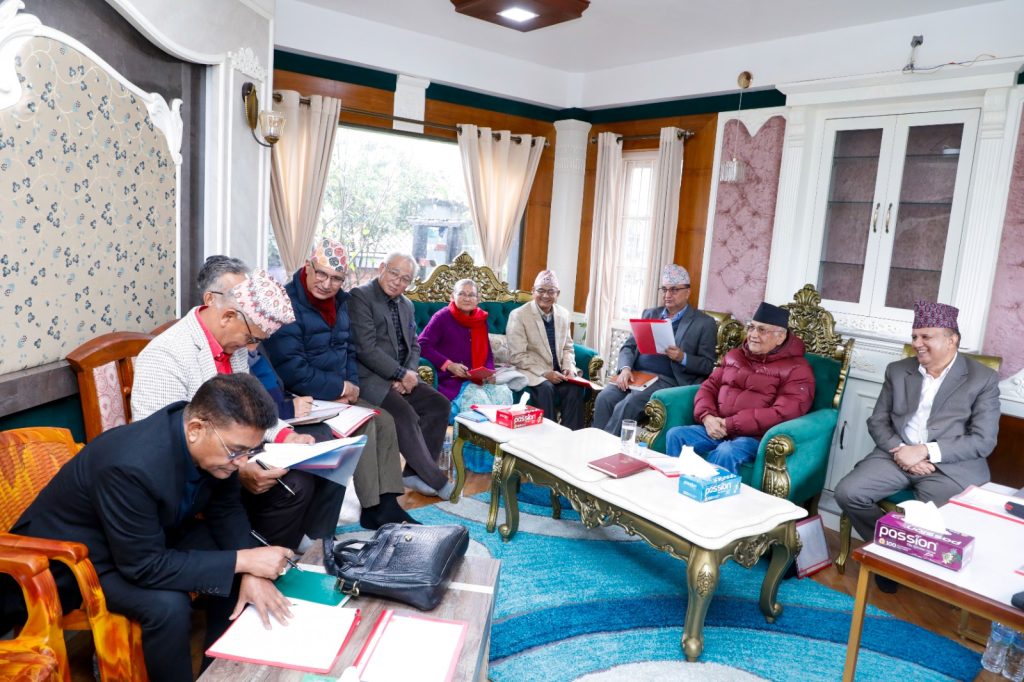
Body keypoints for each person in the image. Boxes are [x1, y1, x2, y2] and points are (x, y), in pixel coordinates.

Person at [11, 374, 296, 682]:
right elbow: (143, 567)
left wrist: (249, 568)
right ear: (196, 429)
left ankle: (220, 672)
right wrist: (244, 560)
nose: (242, 463)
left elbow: (225, 511)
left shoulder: (214, 446)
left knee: (231, 563)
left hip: (140, 536)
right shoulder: (130, 465)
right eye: (236, 451)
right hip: (74, 561)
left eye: (249, 452)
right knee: (167, 605)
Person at [132, 264, 343, 552]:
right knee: (295, 484)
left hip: (234, 451)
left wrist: (287, 437)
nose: (253, 347)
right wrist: (239, 470)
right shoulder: (167, 355)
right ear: (228, 315)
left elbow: (250, 408)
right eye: (252, 338)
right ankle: (257, 564)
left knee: (321, 456)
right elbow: (165, 446)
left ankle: (274, 555)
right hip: (192, 475)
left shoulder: (233, 345)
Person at [834, 301, 1000, 593]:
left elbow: (983, 440)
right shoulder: (898, 370)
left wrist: (925, 451)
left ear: (952, 340)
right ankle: (890, 554)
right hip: (895, 455)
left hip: (948, 466)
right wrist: (901, 450)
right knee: (849, 492)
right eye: (914, 337)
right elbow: (878, 421)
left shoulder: (981, 378)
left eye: (926, 337)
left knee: (949, 520)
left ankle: (928, 574)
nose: (917, 344)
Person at [261, 238, 421, 528]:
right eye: (321, 273)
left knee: (384, 420)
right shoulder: (287, 303)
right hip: (300, 395)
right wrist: (338, 388)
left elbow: (350, 349)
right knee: (368, 425)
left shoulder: (343, 302)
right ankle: (373, 506)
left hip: (338, 393)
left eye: (336, 278)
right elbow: (293, 370)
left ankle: (386, 504)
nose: (326, 283)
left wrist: (351, 386)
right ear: (308, 266)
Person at [665, 301, 815, 474]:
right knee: (676, 435)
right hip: (718, 427)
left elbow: (783, 413)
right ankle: (675, 490)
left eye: (762, 330)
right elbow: (709, 387)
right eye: (752, 327)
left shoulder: (797, 370)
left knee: (726, 452)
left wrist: (731, 424)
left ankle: (711, 498)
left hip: (753, 438)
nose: (753, 335)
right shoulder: (735, 355)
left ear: (780, 337)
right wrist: (707, 417)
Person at [349, 252, 453, 498]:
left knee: (440, 404)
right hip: (369, 378)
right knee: (405, 415)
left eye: (405, 279)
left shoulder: (407, 304)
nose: (397, 281)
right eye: (394, 273)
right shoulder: (360, 296)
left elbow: (414, 345)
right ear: (382, 267)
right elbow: (366, 348)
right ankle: (436, 479)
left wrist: (409, 374)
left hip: (400, 377)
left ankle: (413, 475)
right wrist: (399, 373)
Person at [593, 264, 717, 435]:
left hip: (668, 379)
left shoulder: (704, 323)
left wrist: (683, 357)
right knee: (604, 398)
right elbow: (629, 346)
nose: (667, 295)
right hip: (636, 375)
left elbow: (708, 365)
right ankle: (596, 443)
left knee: (628, 404)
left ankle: (605, 450)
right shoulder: (650, 314)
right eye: (664, 289)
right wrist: (625, 369)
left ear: (688, 292)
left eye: (674, 290)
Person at [505, 269, 586, 429]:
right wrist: (545, 373)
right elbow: (517, 355)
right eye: (541, 290)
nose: (546, 296)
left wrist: (568, 368)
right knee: (546, 389)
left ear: (558, 293)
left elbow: (568, 347)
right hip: (533, 372)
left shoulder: (563, 314)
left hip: (559, 373)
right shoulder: (519, 315)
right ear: (533, 291)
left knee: (575, 388)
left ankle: (570, 435)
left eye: (551, 291)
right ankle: (546, 437)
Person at [418, 278, 513, 409]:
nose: (467, 298)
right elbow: (422, 345)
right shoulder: (442, 317)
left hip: (476, 380)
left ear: (478, 299)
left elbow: (487, 351)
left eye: (471, 295)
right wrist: (449, 365)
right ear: (452, 296)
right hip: (450, 381)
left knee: (504, 394)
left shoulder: (480, 319)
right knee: (480, 402)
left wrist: (490, 372)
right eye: (462, 293)